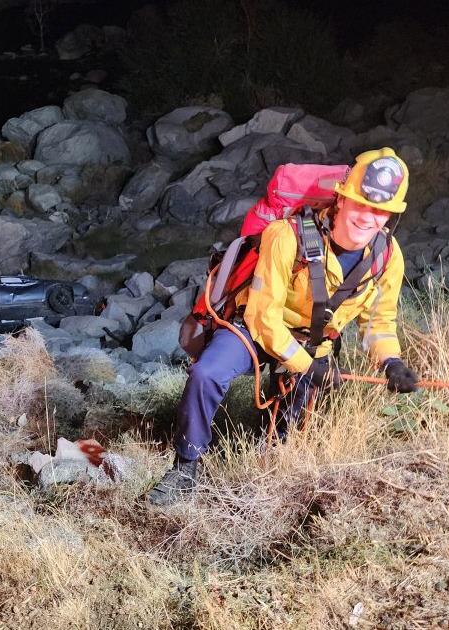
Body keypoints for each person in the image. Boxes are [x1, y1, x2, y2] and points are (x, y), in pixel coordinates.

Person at [147, 147, 421, 506]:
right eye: (360, 205)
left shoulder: (387, 256)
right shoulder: (286, 236)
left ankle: (268, 462)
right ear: (340, 201)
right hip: (254, 331)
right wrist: (307, 367)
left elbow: (380, 322)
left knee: (286, 438)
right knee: (207, 375)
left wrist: (390, 362)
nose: (368, 218)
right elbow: (264, 317)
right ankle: (185, 466)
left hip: (313, 344)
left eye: (380, 211)